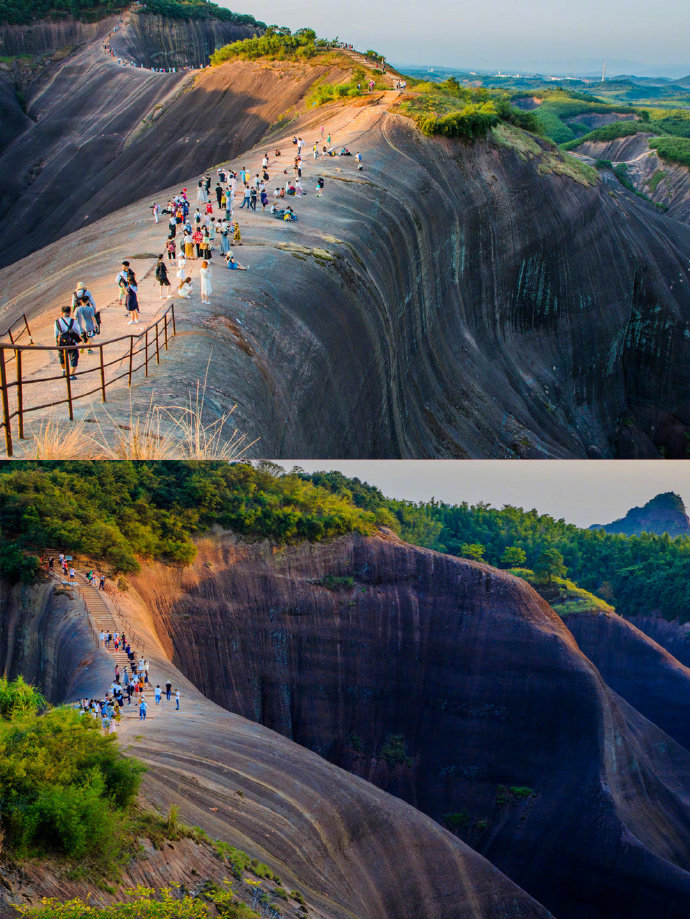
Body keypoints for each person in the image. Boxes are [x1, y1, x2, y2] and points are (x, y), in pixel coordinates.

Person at [54, 305, 81, 380]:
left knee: (62, 357)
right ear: (70, 313)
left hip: (61, 343)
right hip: (72, 343)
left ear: (62, 313)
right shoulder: (73, 321)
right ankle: (71, 375)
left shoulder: (57, 322)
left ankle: (64, 370)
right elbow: (78, 331)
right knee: (74, 358)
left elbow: (55, 334)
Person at [73, 288, 99, 354]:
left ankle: (82, 345)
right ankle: (89, 349)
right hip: (89, 327)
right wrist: (96, 325)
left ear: (81, 301)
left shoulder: (77, 309)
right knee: (90, 338)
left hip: (80, 327)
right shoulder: (90, 309)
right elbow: (93, 318)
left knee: (82, 338)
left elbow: (75, 318)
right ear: (87, 301)